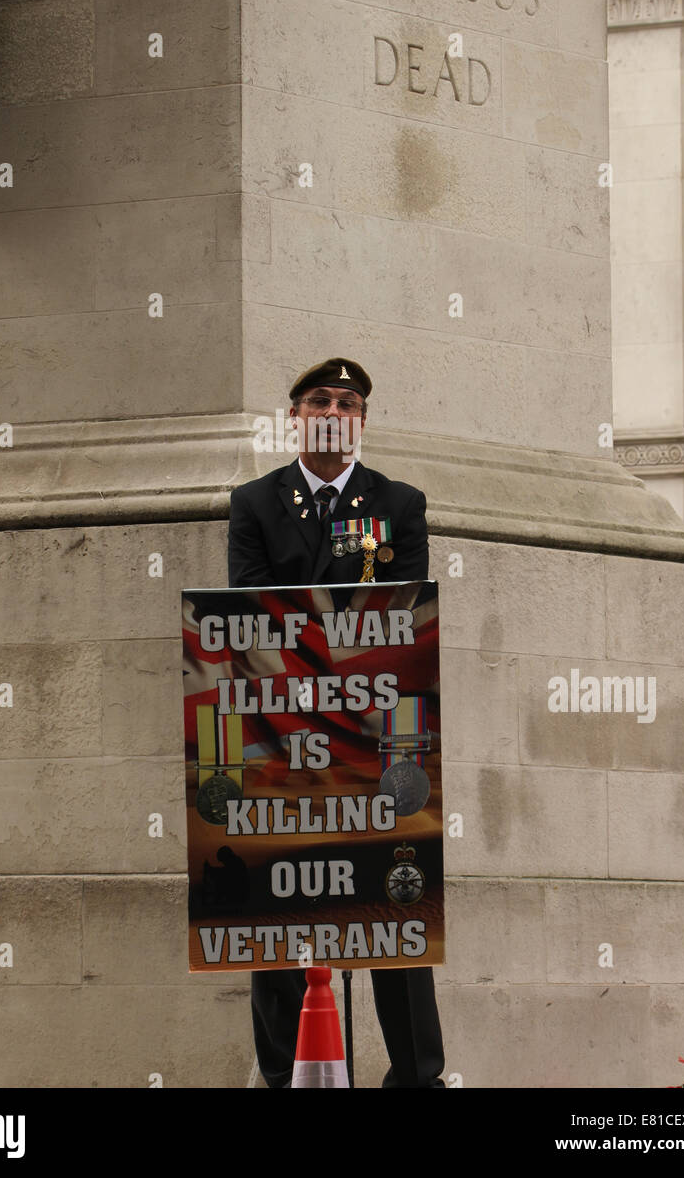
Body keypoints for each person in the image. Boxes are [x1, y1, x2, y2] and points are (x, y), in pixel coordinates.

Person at [227, 356, 446, 1088]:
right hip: (283, 730)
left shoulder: (400, 503)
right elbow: (253, 616)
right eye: (320, 398)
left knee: (393, 903)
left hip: (379, 735)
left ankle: (417, 1075)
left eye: (348, 402)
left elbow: (404, 615)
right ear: (296, 415)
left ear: (361, 420)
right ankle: (285, 1072)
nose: (334, 410)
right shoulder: (255, 503)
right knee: (277, 902)